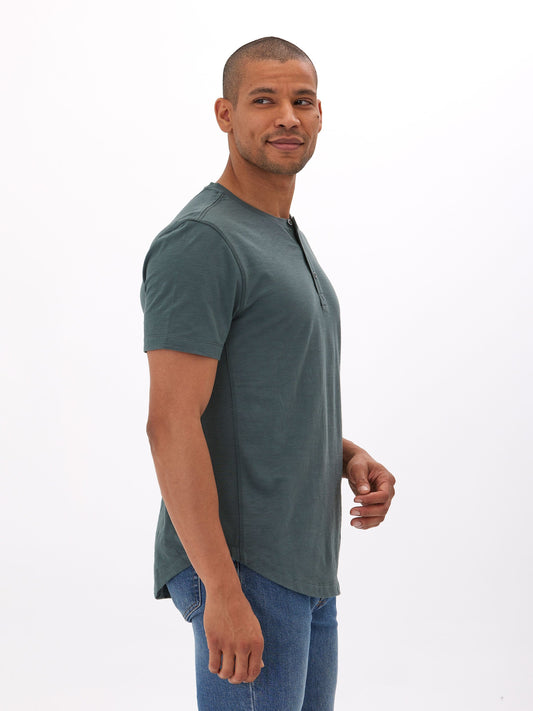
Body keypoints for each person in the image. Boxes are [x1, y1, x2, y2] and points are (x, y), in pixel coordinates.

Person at [141, 36, 395, 711]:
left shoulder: (279, 233)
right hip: (244, 566)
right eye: (264, 100)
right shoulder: (203, 241)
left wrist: (344, 454)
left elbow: (262, 397)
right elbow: (170, 423)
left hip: (304, 566)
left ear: (320, 115)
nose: (287, 116)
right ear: (225, 114)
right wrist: (221, 591)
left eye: (302, 101)